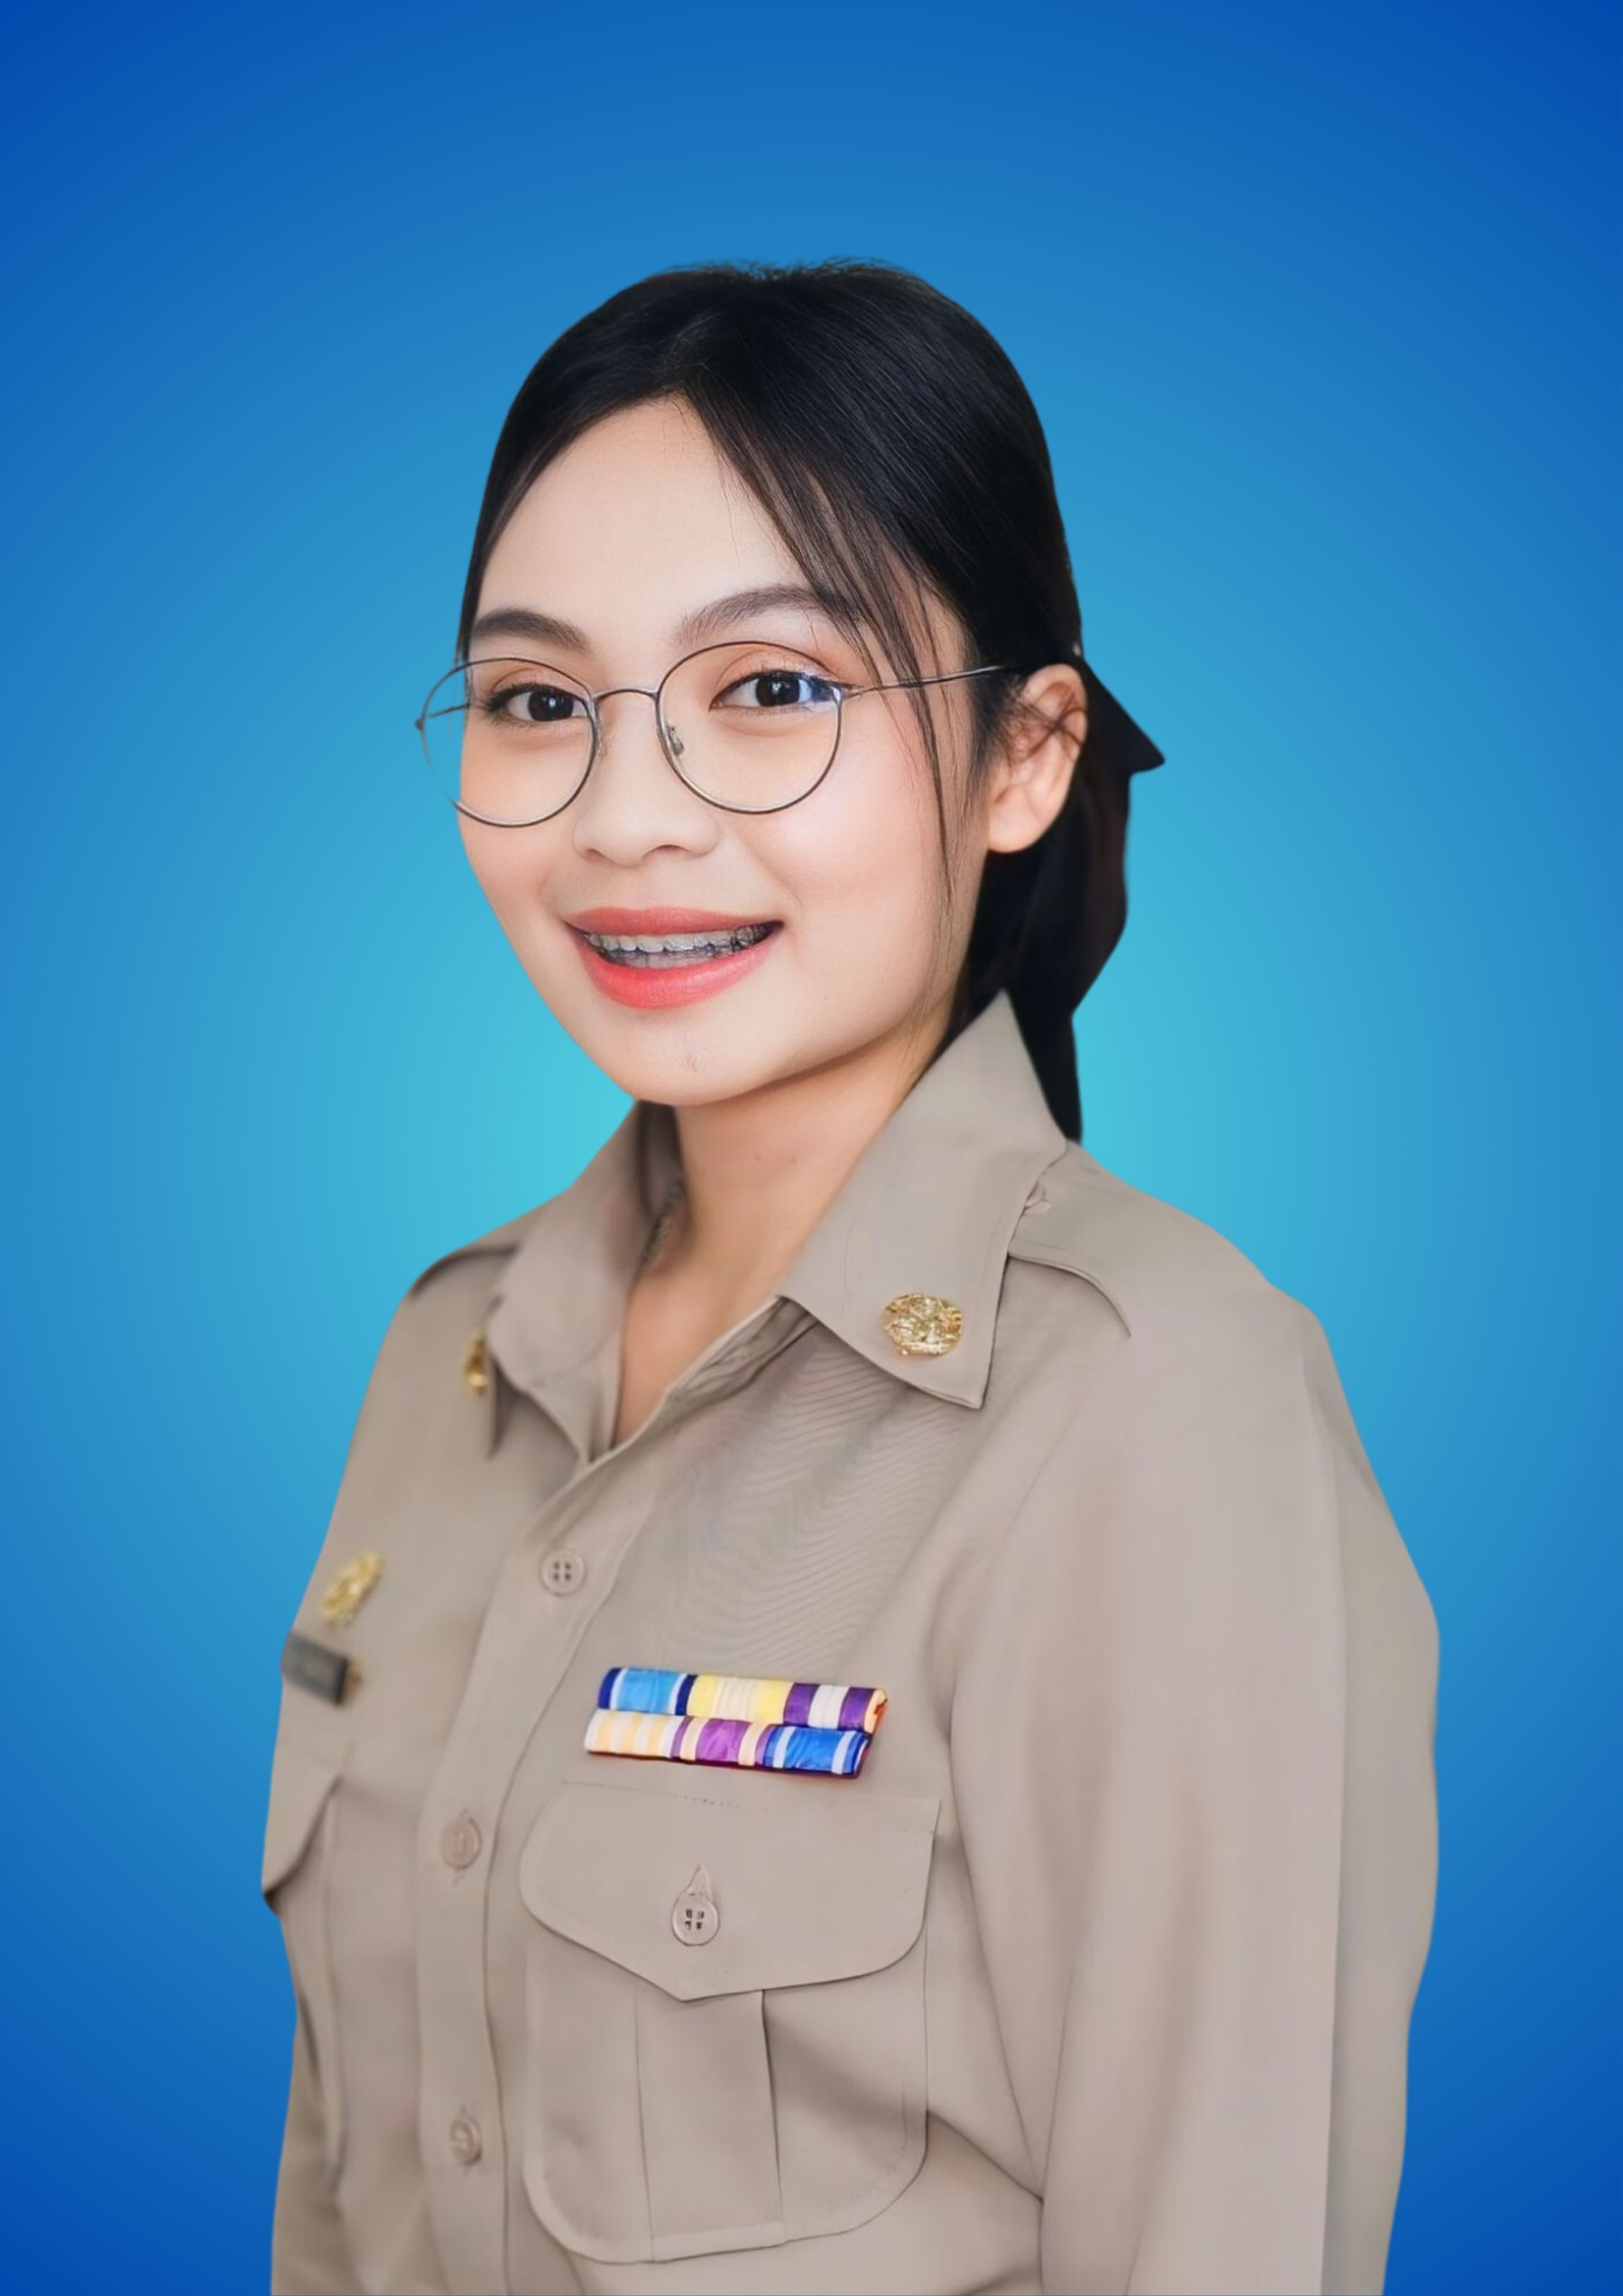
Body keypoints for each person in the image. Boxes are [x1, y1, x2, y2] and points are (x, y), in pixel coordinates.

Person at [260, 258, 1440, 2296]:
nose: (627, 817)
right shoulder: (449, 1352)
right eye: (538, 702)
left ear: (1024, 756)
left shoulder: (1155, 1405)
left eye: (774, 690)